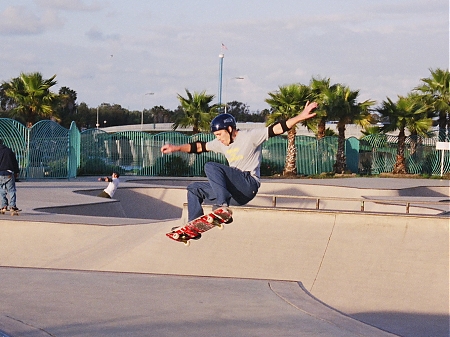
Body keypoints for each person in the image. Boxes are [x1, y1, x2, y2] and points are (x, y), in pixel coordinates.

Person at [161, 101, 318, 221]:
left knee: (210, 166)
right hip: (234, 194)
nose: (219, 139)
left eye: (220, 134)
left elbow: (276, 128)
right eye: (216, 136)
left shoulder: (250, 137)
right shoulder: (221, 143)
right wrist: (176, 148)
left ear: (230, 129)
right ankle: (194, 225)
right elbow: (199, 147)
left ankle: (222, 207)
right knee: (193, 189)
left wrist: (301, 116)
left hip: (248, 184)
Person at [0, 139, 20, 212]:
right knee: (11, 190)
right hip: (9, 173)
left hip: (0, 173)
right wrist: (16, 172)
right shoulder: (9, 151)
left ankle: (3, 206)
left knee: (1, 190)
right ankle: (12, 206)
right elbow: (15, 162)